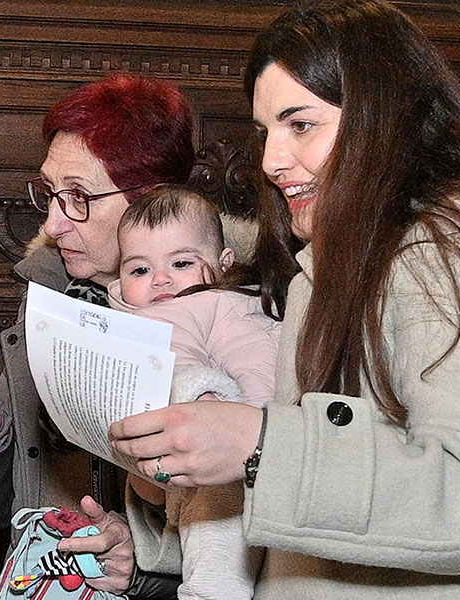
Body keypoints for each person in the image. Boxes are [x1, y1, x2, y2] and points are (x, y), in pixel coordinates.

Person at [109, 1, 460, 598]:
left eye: (300, 125)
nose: (271, 161)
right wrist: (151, 541)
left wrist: (260, 445)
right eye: (266, 132)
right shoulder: (322, 269)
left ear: (382, 120)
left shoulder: (450, 250)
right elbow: (320, 525)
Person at [0, 74, 198, 597]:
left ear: (149, 201)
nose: (54, 224)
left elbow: (248, 540)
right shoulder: (46, 296)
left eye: (78, 197)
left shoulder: (228, 313)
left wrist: (144, 570)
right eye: (51, 194)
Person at [107, 184, 279, 599]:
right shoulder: (131, 321)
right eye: (139, 270)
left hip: (233, 456)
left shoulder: (218, 304)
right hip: (183, 465)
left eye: (181, 263)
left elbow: (255, 362)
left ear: (223, 263)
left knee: (214, 549)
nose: (160, 279)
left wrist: (213, 404)